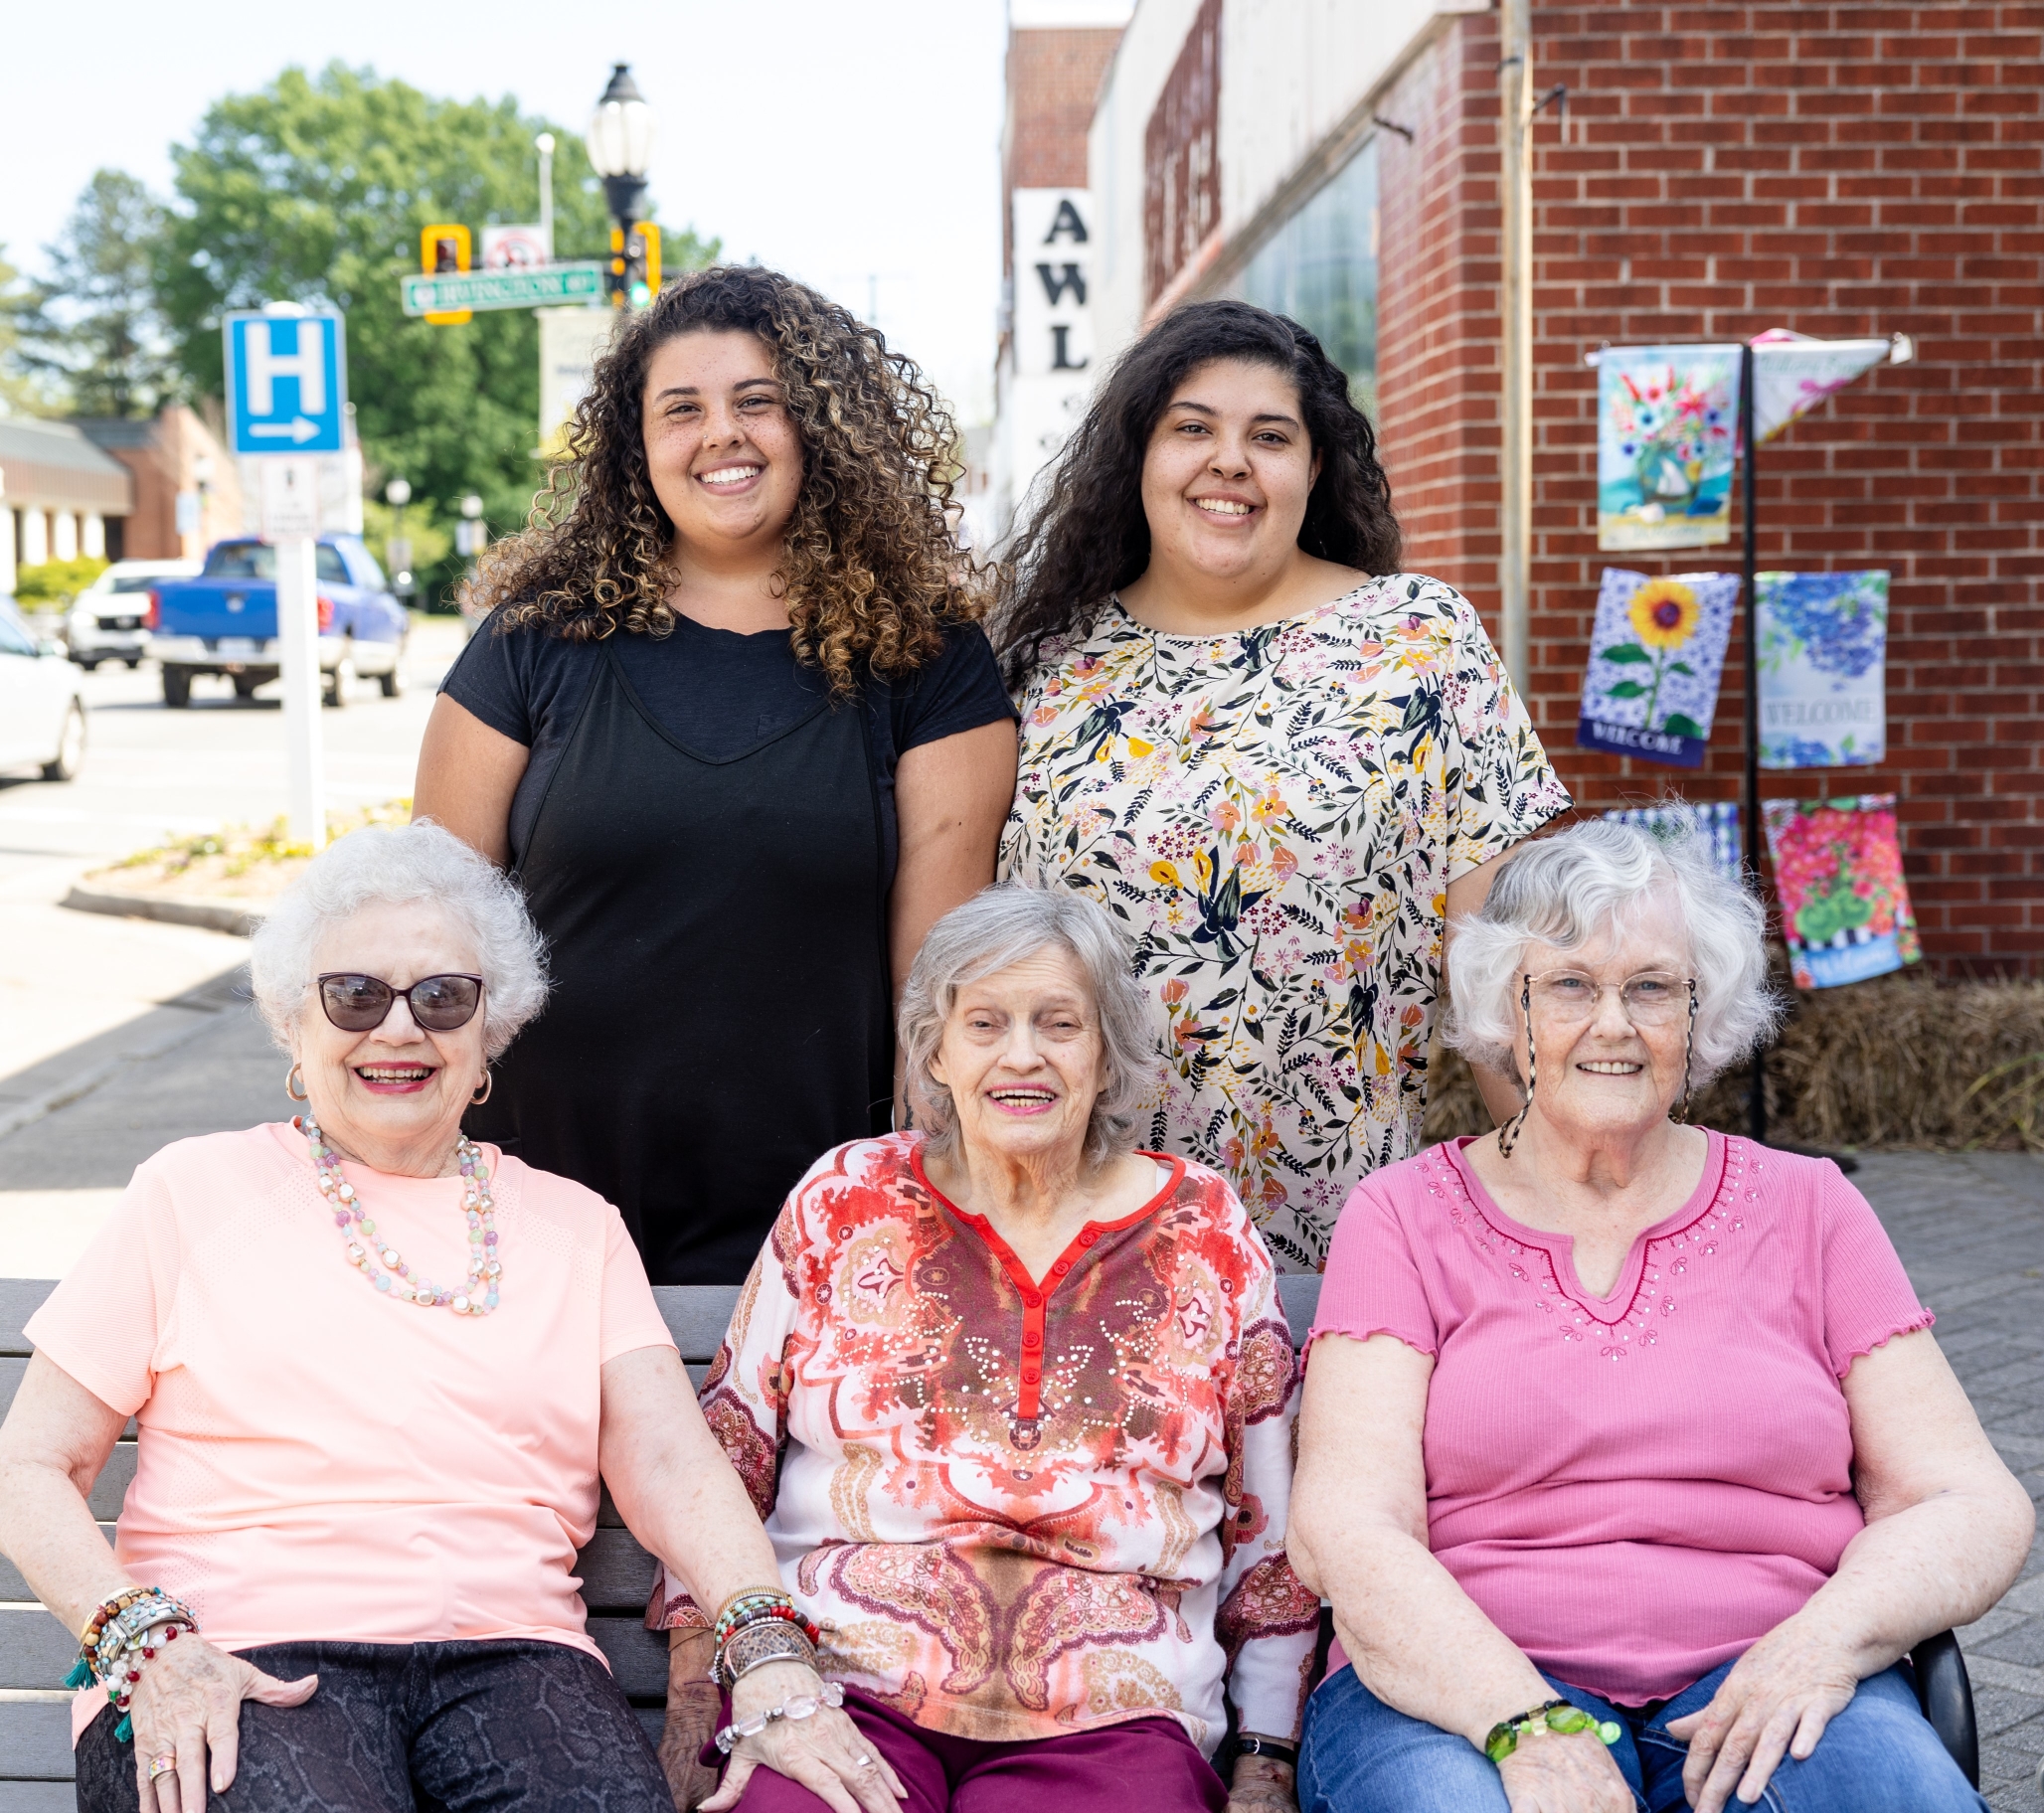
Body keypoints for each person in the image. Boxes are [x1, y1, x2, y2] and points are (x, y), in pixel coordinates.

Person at [0, 824, 897, 1813]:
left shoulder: (575, 1228)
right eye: (354, 995)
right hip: (230, 1655)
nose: (397, 1030)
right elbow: (30, 1462)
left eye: (442, 998)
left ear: (489, 1037)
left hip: (511, 1659)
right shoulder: (189, 1193)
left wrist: (764, 1642)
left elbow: (670, 1459)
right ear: (294, 1024)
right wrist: (144, 1643)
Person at [1286, 820, 2034, 1813]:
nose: (1611, 1024)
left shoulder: (1808, 1206)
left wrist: (1819, 1646)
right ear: (1503, 1012)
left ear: (1701, 1012)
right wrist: (1523, 1722)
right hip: (1464, 1688)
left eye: (1650, 987)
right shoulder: (1402, 1214)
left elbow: (1966, 1501)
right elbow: (1346, 1524)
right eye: (1565, 985)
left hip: (1765, 1671)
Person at [649, 887, 1320, 1813]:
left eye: (1059, 1024)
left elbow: (1267, 1523)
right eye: (985, 1023)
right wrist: (696, 1696)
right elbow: (728, 1455)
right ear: (935, 1049)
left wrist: (1265, 1759)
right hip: (844, 1689)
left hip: (1116, 1714)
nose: (1022, 1055)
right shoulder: (845, 1196)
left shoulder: (1202, 1225)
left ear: (1106, 1051)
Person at [415, 264, 1019, 1285]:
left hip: (815, 1226)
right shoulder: (530, 646)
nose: (719, 435)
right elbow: (429, 947)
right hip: (538, 1219)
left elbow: (937, 990)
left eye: (757, 402)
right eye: (680, 409)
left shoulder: (927, 660)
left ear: (820, 427)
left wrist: (922, 1223)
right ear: (634, 443)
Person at [996, 299, 1569, 1271]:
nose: (1230, 461)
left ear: (1313, 469)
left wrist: (1576, 1217)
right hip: (1078, 1233)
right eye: (1192, 429)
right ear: (1136, 456)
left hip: (1344, 1246)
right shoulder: (1044, 668)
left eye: (1269, 436)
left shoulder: (1418, 639)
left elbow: (1498, 980)